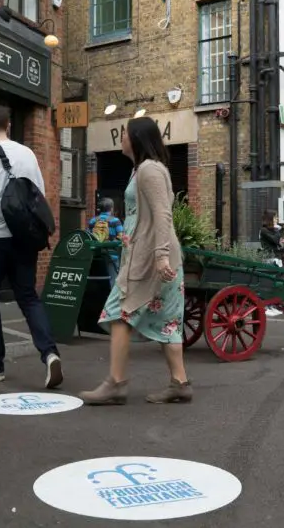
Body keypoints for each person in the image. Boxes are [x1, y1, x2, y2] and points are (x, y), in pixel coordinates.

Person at [79, 117, 190, 405]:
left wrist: (161, 256)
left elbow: (163, 214)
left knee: (118, 312)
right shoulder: (143, 169)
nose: (121, 138)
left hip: (150, 261)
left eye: (125, 134)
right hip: (154, 259)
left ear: (137, 138)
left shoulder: (149, 170)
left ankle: (116, 383)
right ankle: (180, 383)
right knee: (168, 321)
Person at [0, 103, 63, 388]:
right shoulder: (28, 153)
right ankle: (50, 353)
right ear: (9, 125)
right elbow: (39, 194)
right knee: (29, 297)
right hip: (24, 239)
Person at [88, 197, 124, 285]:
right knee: (114, 280)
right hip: (112, 255)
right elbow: (121, 236)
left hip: (95, 254)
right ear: (111, 209)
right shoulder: (115, 221)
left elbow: (89, 236)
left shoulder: (93, 220)